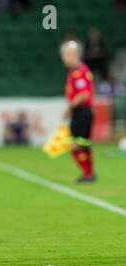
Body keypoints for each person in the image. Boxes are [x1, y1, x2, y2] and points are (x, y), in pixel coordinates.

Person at [60, 40, 96, 183]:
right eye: (64, 54)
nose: (64, 57)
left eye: (67, 54)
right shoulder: (76, 70)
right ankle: (90, 173)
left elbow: (84, 94)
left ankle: (88, 174)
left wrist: (70, 107)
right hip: (83, 112)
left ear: (76, 54)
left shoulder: (79, 71)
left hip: (82, 112)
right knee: (84, 144)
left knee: (74, 145)